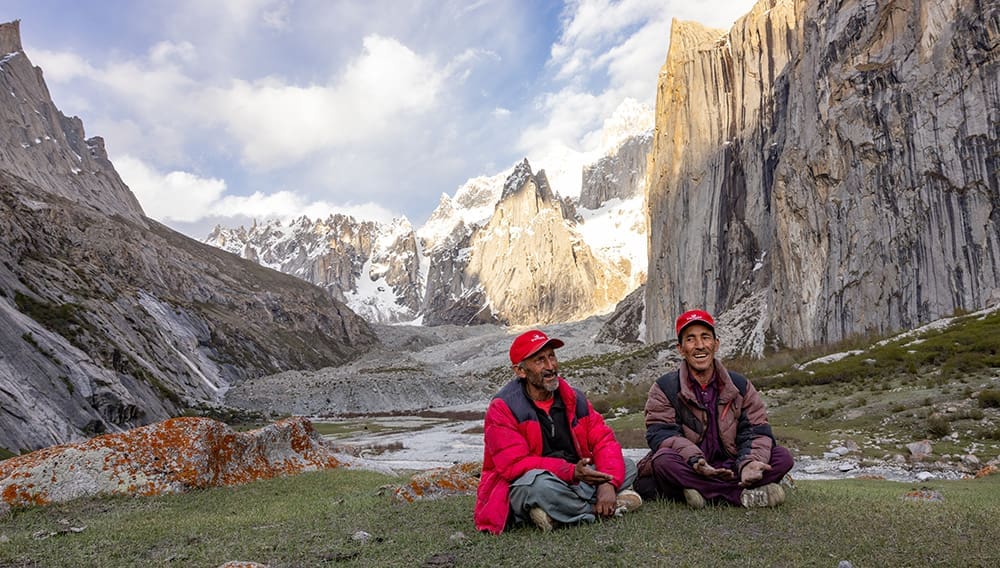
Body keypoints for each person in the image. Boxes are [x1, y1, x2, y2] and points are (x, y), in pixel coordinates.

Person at [474, 329, 643, 534]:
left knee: (627, 465)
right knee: (537, 486)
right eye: (539, 360)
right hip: (537, 481)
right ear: (520, 371)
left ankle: (556, 512)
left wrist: (608, 482)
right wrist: (570, 472)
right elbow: (513, 465)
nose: (550, 366)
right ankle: (599, 508)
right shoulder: (503, 407)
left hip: (576, 477)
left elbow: (604, 440)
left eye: (552, 356)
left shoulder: (574, 398)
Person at [634, 309, 794, 508]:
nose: (699, 346)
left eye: (705, 337)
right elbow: (662, 435)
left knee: (783, 457)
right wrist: (696, 461)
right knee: (663, 461)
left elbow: (757, 431)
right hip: (691, 465)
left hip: (733, 463)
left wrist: (749, 463)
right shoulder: (664, 388)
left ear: (716, 344)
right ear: (680, 349)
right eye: (690, 339)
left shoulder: (740, 386)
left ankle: (702, 492)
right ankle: (740, 495)